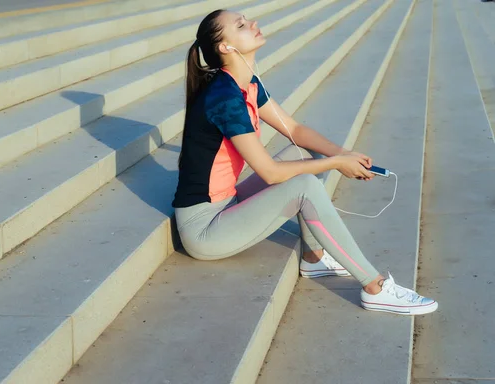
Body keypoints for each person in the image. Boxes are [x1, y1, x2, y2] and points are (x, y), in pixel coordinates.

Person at [172, 9, 438, 315]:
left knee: (309, 154)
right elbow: (270, 173)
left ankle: (314, 258)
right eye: (242, 26)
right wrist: (336, 164)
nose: (253, 24)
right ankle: (374, 287)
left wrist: (342, 154)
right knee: (305, 185)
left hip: (226, 202)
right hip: (205, 228)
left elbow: (294, 130)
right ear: (225, 47)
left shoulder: (245, 82)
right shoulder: (225, 98)